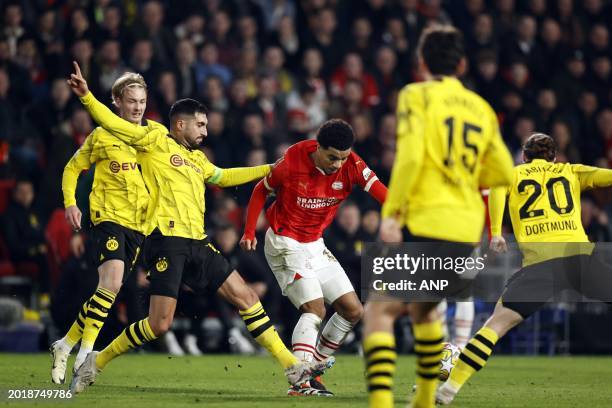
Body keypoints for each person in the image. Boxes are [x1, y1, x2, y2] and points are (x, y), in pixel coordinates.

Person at [65, 62, 333, 393]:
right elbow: (112, 123)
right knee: (159, 324)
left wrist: (270, 168)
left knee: (246, 297)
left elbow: (223, 175)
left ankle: (292, 367)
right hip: (165, 242)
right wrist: (88, 98)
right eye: (200, 125)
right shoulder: (154, 139)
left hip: (198, 241)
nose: (205, 131)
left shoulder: (197, 159)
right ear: (180, 124)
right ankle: (98, 361)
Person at [361, 25, 514, 408]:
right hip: (466, 229)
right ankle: (425, 401)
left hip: (427, 220)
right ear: (462, 64)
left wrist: (392, 212)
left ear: (422, 62)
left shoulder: (416, 95)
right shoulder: (481, 108)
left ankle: (382, 404)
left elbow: (410, 157)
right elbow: (503, 173)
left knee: (379, 311)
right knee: (426, 311)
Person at [437, 133, 612, 404]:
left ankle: (448, 390)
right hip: (580, 258)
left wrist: (495, 232)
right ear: (554, 157)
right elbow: (608, 176)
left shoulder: (513, 174)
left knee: (494, 326)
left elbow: (496, 190)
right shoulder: (571, 171)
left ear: (524, 156)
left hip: (541, 264)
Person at [240, 118, 387, 396]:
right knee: (315, 309)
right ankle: (299, 381)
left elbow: (384, 196)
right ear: (318, 148)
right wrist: (249, 231)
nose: (337, 164)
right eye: (332, 157)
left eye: (343, 158)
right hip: (284, 242)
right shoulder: (292, 161)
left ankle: (314, 370)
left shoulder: (353, 165)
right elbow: (261, 190)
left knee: (353, 310)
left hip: (314, 245)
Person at [50, 71, 160, 384]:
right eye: (131, 101)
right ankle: (85, 354)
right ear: (117, 102)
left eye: (142, 101)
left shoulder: (152, 137)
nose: (138, 107)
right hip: (107, 219)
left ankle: (65, 344)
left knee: (106, 292)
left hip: (138, 227)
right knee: (110, 284)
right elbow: (72, 169)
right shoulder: (102, 136)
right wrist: (71, 202)